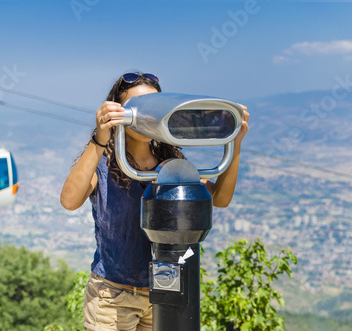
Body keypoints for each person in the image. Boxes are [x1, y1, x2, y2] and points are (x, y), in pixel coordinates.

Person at [60, 72, 249, 331]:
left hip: (163, 291)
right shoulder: (101, 163)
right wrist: (100, 138)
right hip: (112, 297)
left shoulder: (171, 165)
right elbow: (70, 200)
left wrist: (234, 143)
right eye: (139, 108)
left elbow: (220, 199)